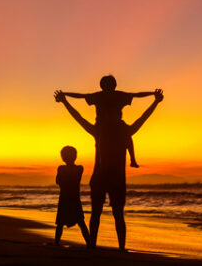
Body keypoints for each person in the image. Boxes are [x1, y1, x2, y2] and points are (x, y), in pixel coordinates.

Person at [55, 88, 163, 250]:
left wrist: (65, 102)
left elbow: (79, 117)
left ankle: (95, 246)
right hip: (115, 178)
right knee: (115, 214)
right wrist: (155, 102)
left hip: (102, 178)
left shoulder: (100, 130)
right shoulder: (122, 131)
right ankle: (118, 248)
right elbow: (143, 118)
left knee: (101, 214)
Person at [61, 75, 156, 168]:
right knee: (128, 137)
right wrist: (153, 95)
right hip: (110, 125)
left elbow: (80, 98)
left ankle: (132, 160)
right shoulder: (114, 96)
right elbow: (136, 95)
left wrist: (65, 96)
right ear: (114, 85)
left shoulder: (103, 96)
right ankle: (132, 160)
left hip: (107, 125)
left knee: (126, 136)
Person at [54, 145, 90, 247]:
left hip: (67, 198)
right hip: (72, 198)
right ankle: (89, 243)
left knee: (62, 223)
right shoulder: (78, 168)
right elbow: (60, 181)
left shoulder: (66, 169)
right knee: (80, 222)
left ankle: (57, 243)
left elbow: (58, 181)